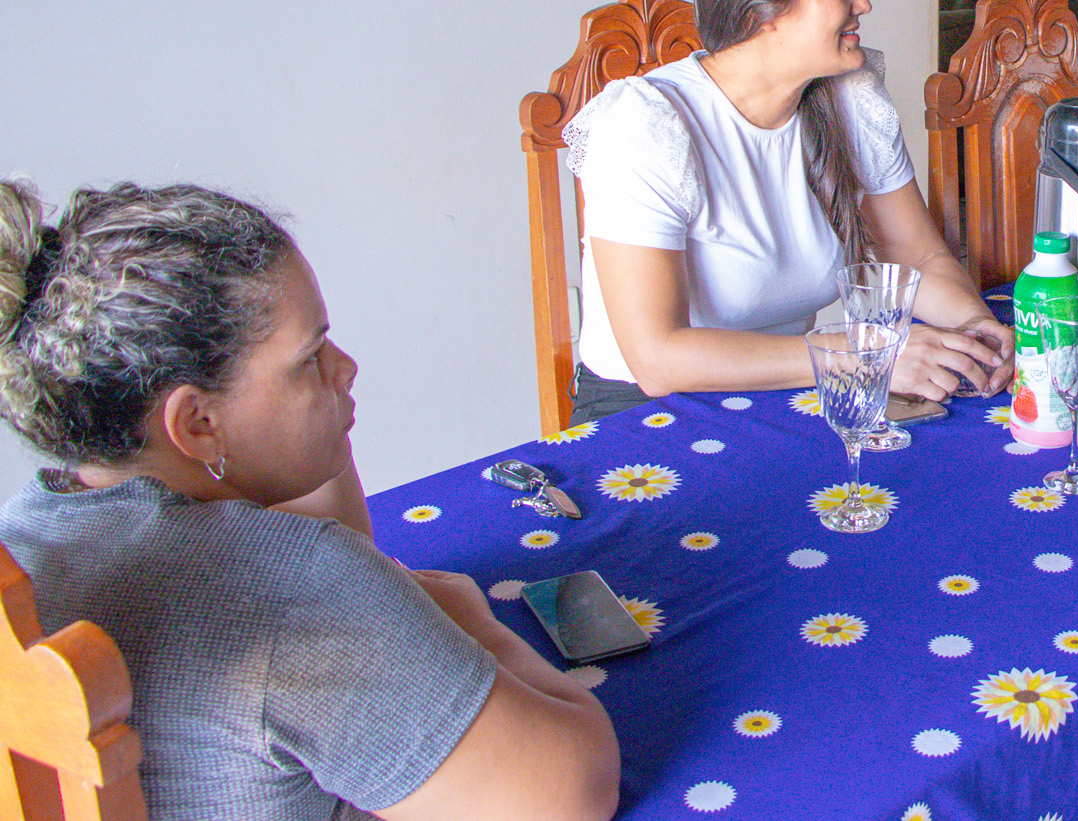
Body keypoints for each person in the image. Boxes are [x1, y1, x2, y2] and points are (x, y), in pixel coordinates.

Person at [0, 180, 619, 821]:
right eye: (310, 358)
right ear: (197, 425)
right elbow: (568, 796)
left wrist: (319, 422)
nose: (346, 368)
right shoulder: (295, 591)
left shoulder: (23, 537)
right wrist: (470, 620)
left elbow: (348, 558)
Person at [563, 0, 1013, 422]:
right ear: (766, 10)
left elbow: (915, 257)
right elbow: (658, 358)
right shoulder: (647, 124)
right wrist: (864, 356)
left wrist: (971, 326)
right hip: (647, 415)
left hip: (787, 393)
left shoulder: (849, 97)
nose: (863, 4)